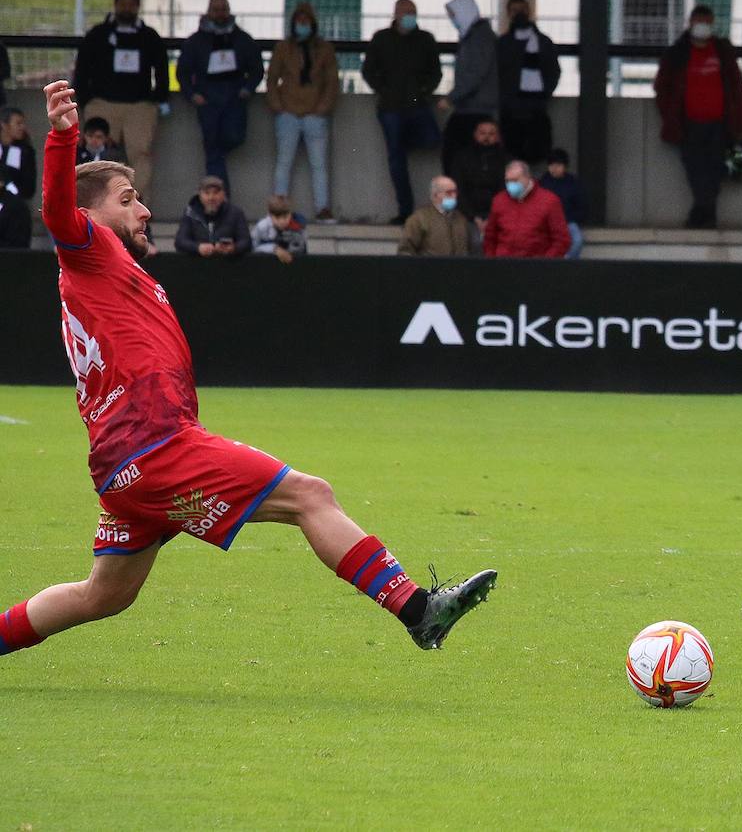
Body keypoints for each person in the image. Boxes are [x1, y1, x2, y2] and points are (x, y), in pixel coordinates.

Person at [0, 80, 497, 662]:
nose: (145, 207)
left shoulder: (99, 271)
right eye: (129, 197)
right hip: (155, 447)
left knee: (101, 596)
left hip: (123, 463)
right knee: (311, 496)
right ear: (90, 213)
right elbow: (58, 210)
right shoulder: (88, 248)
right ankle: (418, 609)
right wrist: (62, 141)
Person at [653, 4, 742, 229]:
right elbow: (662, 88)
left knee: (715, 169)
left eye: (706, 23)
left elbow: (735, 86)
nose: (703, 28)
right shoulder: (678, 53)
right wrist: (670, 118)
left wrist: (739, 120)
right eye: (699, 23)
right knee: (695, 169)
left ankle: (702, 214)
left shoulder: (723, 52)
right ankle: (703, 213)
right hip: (688, 125)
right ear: (691, 24)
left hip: (719, 124)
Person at [73, 0, 169, 201]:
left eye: (131, 5)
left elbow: (162, 68)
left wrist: (158, 98)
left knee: (141, 154)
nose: (127, 9)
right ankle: (96, 199)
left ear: (138, 7)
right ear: (115, 6)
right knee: (97, 152)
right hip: (103, 103)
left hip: (140, 106)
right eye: (122, 5)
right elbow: (82, 68)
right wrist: (87, 99)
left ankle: (137, 201)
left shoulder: (149, 36)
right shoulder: (98, 34)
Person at [362, 0, 442, 225]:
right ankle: (405, 210)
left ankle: (407, 140)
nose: (410, 16)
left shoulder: (425, 40)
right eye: (407, 12)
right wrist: (385, 91)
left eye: (413, 12)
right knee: (397, 160)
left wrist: (422, 92)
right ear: (396, 14)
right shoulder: (382, 39)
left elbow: (435, 72)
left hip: (417, 106)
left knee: (432, 140)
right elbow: (369, 70)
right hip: (391, 108)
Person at [176, 0, 263, 195]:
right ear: (208, 12)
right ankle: (220, 198)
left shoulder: (242, 39)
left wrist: (247, 89)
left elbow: (257, 68)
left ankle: (217, 161)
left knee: (233, 138)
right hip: (208, 99)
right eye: (215, 9)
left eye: (224, 9)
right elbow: (183, 72)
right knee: (212, 148)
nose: (220, 13)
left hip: (234, 98)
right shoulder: (196, 41)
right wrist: (193, 95)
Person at [266, 1, 339, 221]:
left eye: (306, 21)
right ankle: (278, 209)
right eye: (299, 21)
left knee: (319, 165)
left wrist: (322, 108)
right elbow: (271, 79)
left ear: (313, 24)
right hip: (287, 113)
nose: (303, 25)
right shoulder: (283, 48)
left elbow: (332, 82)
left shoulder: (324, 49)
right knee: (283, 163)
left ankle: (322, 208)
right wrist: (278, 106)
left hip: (315, 114)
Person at [496, 0, 561, 165]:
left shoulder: (543, 42)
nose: (519, 14)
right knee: (512, 155)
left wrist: (545, 92)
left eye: (523, 10)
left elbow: (553, 70)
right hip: (511, 110)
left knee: (538, 153)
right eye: (515, 10)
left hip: (536, 108)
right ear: (508, 14)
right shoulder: (503, 44)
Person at [440, 0, 500, 177]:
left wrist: (452, 97)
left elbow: (475, 74)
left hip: (474, 109)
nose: (453, 20)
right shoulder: (477, 36)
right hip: (473, 108)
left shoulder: (478, 38)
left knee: (456, 158)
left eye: (453, 15)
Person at [483, 160, 571, 258]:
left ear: (528, 177)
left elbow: (562, 240)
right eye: (507, 181)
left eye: (515, 180)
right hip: (503, 265)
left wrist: (545, 264)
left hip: (535, 267)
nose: (510, 184)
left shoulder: (549, 201)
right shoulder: (499, 201)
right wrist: (492, 262)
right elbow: (490, 237)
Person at [398, 175, 478, 257]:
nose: (454, 196)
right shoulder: (418, 219)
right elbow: (405, 251)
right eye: (449, 193)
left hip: (459, 268)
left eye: (455, 192)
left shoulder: (461, 219)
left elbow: (469, 249)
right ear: (435, 195)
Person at [173, 175, 251, 258]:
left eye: (216, 193)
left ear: (223, 194)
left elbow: (246, 242)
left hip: (228, 265)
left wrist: (233, 248)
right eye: (207, 193)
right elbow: (180, 241)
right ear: (200, 195)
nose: (211, 197)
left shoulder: (236, 213)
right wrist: (198, 247)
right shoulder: (190, 213)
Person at [451, 118, 509, 226]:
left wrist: (494, 216)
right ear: (475, 134)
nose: (486, 137)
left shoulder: (506, 159)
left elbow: (505, 190)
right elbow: (457, 188)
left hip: (499, 215)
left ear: (498, 137)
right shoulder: (462, 158)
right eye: (482, 133)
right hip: (466, 214)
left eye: (491, 133)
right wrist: (472, 216)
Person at [538, 147, 585, 258]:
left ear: (565, 166)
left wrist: (568, 218)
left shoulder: (573, 183)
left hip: (568, 221)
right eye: (551, 165)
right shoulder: (543, 183)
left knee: (578, 240)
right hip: (546, 223)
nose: (554, 169)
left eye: (558, 165)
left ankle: (564, 260)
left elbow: (582, 206)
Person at [0, 106, 36, 250]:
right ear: (4, 125)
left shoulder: (25, 151)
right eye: (18, 123)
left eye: (23, 124)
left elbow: (28, 186)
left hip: (16, 205)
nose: (22, 128)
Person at [251, 194, 309, 263]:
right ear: (270, 215)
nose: (282, 221)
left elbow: (303, 251)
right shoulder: (261, 226)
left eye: (285, 217)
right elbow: (252, 247)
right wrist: (273, 249)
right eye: (277, 218)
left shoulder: (299, 226)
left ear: (290, 213)